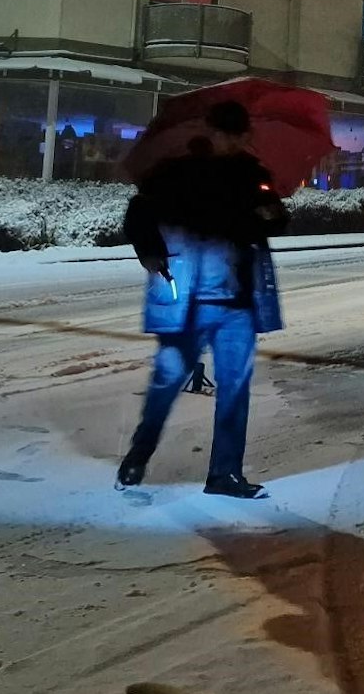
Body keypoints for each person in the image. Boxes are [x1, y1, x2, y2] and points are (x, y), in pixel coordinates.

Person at [118, 100, 287, 498]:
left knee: (234, 388)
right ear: (212, 132)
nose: (229, 141)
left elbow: (276, 220)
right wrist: (149, 251)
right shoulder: (177, 173)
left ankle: (225, 474)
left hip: (237, 303)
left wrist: (270, 213)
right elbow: (138, 213)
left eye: (236, 134)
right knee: (166, 381)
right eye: (223, 133)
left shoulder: (252, 175)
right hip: (186, 299)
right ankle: (138, 455)